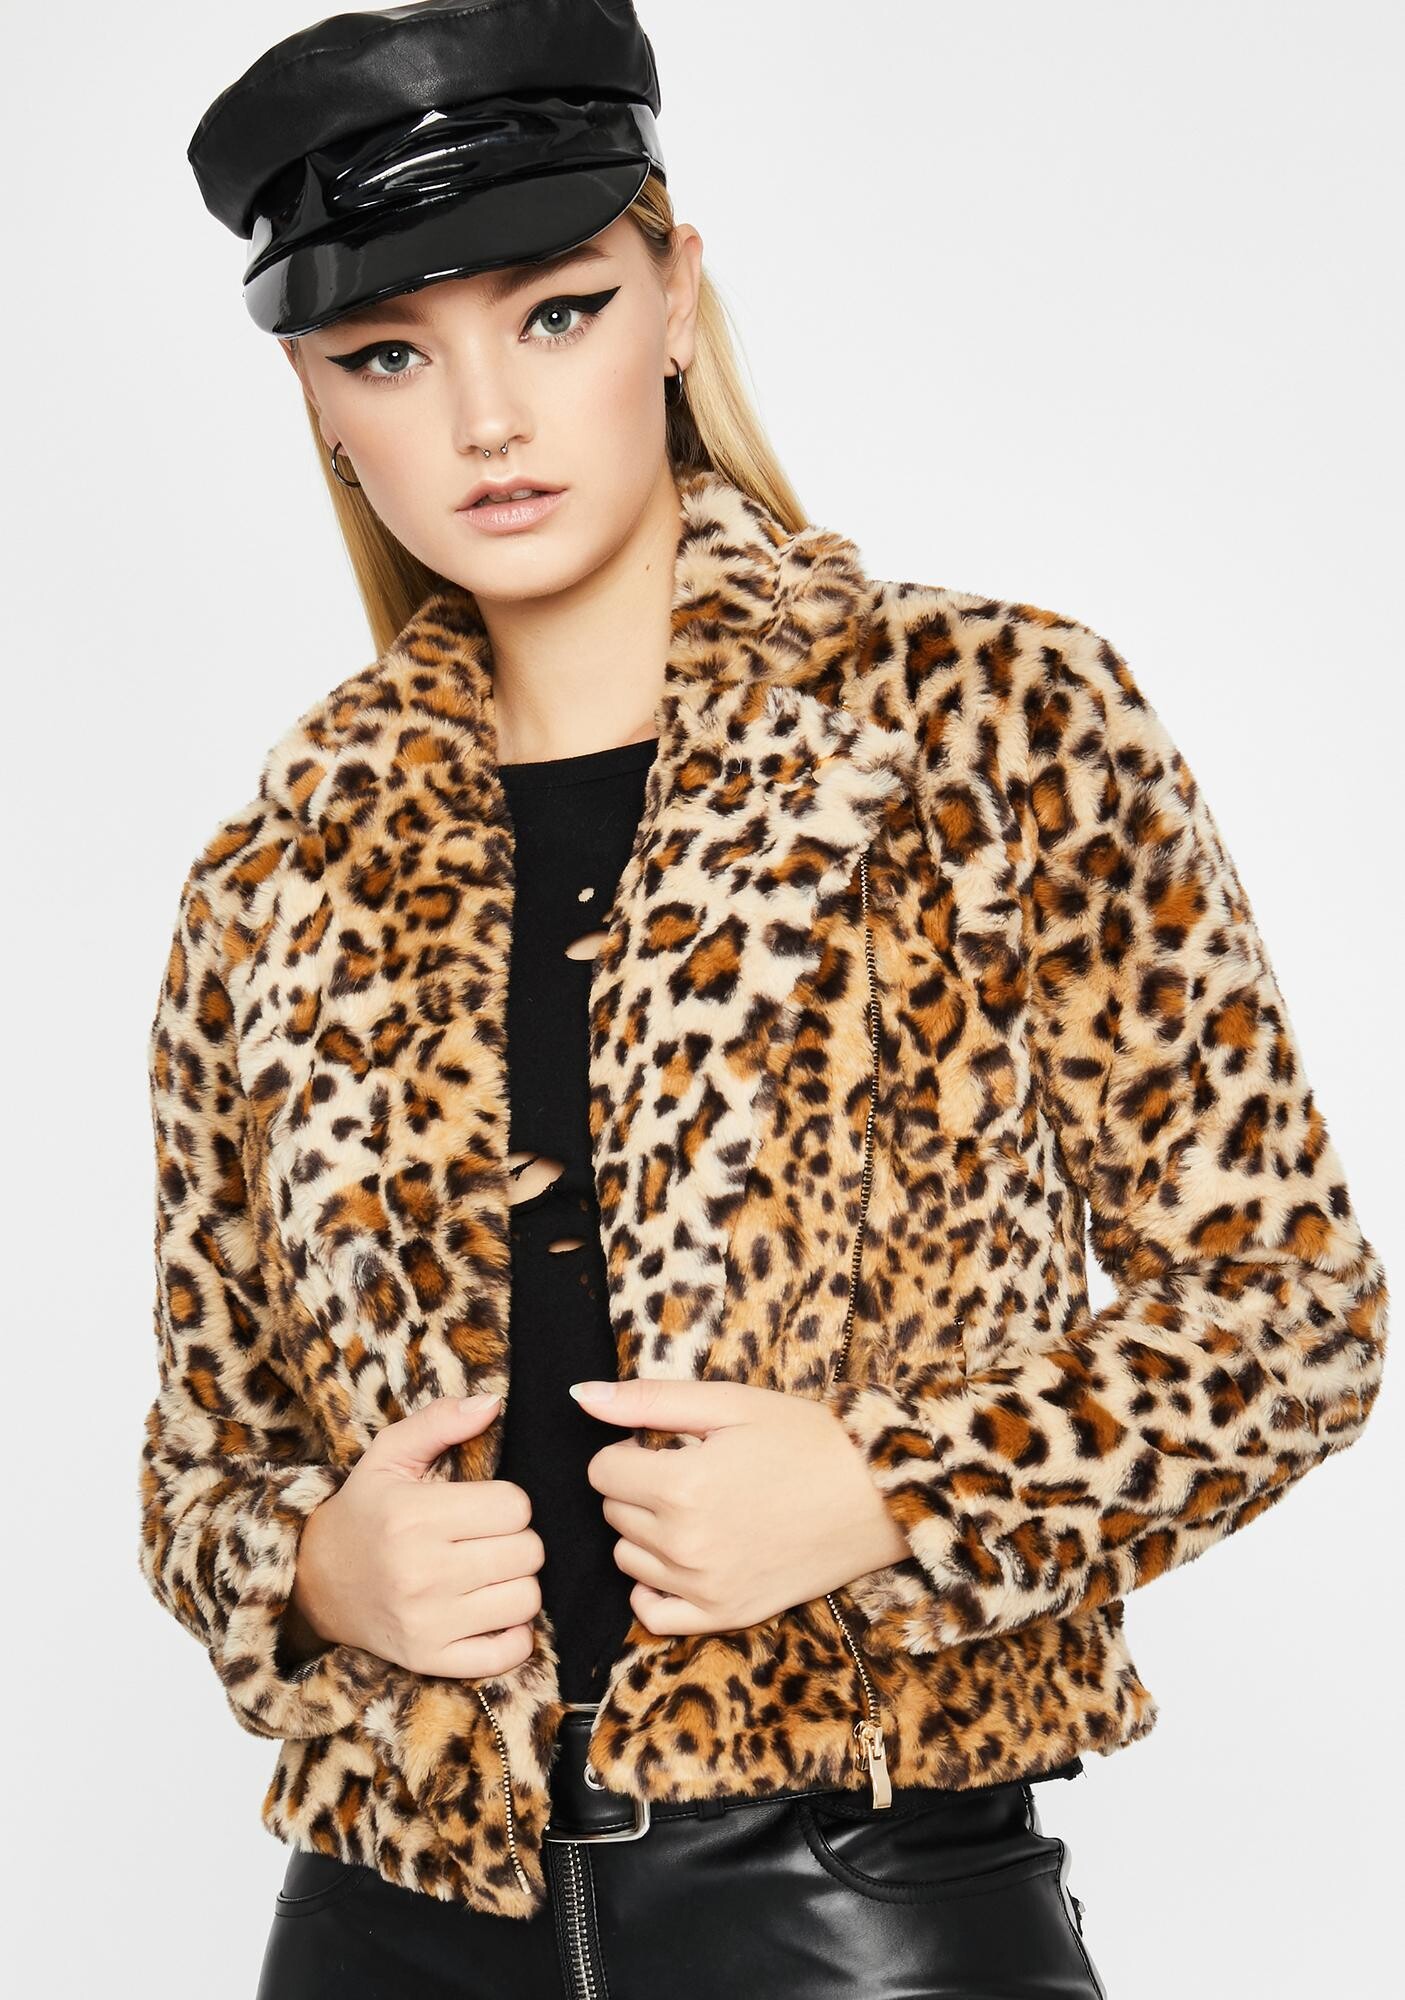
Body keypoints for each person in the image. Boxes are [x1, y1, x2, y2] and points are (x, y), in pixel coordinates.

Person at [138, 4, 1390, 1996]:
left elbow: (1289, 1318)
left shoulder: (983, 721)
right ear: (317, 399)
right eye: (389, 353)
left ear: (672, 298)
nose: (484, 418)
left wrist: (895, 1490)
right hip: (384, 1920)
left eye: (553, 312)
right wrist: (310, 1566)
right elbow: (200, 1456)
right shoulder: (278, 872)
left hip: (857, 1903)